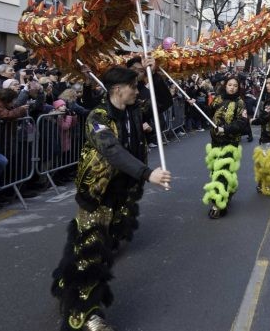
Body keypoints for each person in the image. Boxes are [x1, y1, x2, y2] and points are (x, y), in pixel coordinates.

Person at [51, 66, 171, 331]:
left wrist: (157, 73)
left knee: (96, 246)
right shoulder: (99, 116)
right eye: (134, 86)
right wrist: (147, 173)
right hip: (97, 193)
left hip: (122, 192)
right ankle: (84, 313)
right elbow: (111, 149)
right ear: (118, 89)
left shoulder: (134, 110)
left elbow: (164, 102)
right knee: (91, 251)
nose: (137, 91)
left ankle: (64, 282)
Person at [199, 75, 249, 218]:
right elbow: (209, 113)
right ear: (225, 86)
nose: (232, 88)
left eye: (235, 85)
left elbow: (242, 123)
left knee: (222, 172)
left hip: (230, 143)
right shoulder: (219, 98)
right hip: (215, 142)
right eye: (229, 85)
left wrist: (225, 129)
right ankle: (229, 191)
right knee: (216, 171)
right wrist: (195, 103)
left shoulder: (240, 103)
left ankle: (218, 204)